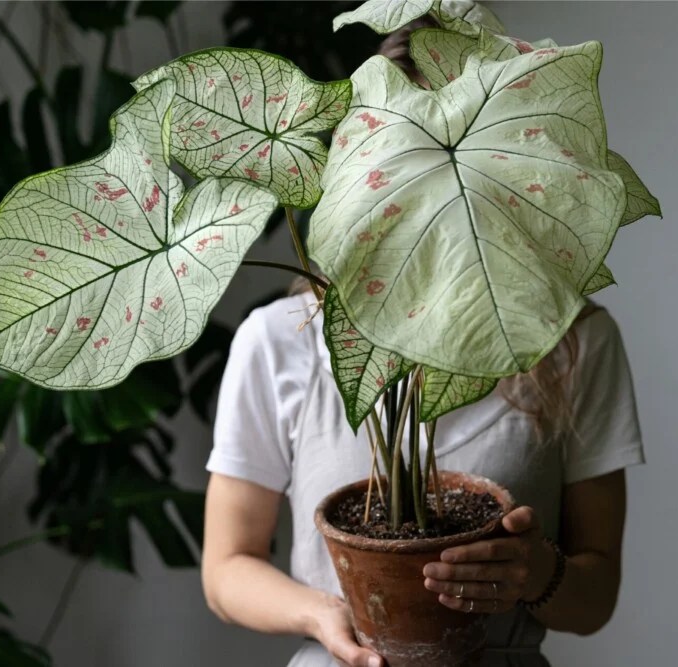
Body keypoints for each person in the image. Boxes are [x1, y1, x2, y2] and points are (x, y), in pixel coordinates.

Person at [201, 18, 645, 667]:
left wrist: (536, 572)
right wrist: (325, 612)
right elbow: (226, 566)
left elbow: (596, 592)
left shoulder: (575, 340)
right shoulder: (281, 339)